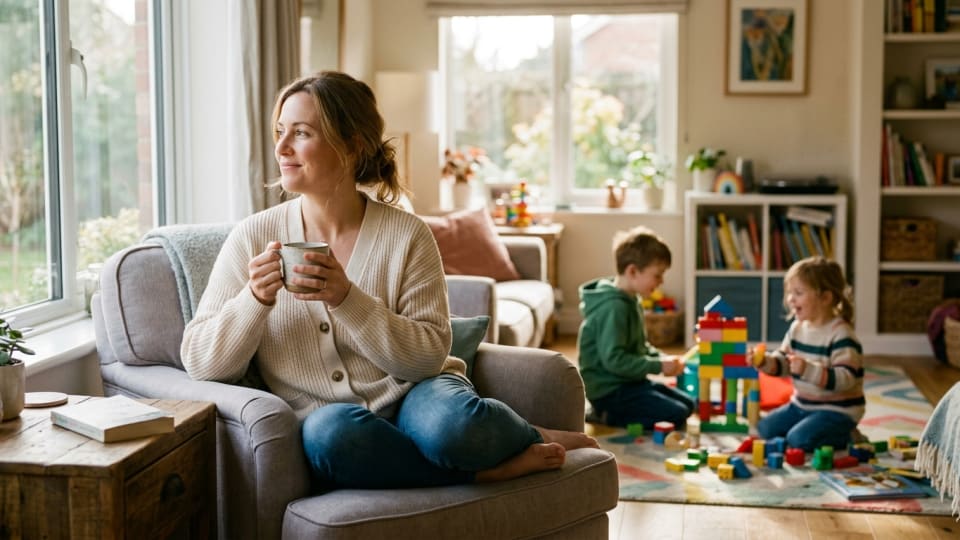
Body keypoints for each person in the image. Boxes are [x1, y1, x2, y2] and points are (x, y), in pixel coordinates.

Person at [180, 71, 596, 490]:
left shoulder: (407, 235)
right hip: (336, 422)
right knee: (331, 437)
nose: (282, 147)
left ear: (352, 144)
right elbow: (201, 362)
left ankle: (528, 436)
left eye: (301, 133)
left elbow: (428, 358)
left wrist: (347, 299)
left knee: (454, 429)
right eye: (280, 131)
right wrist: (253, 299)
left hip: (419, 393)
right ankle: (481, 469)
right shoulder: (253, 237)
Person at [577, 226, 694, 429]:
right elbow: (615, 360)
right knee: (677, 414)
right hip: (610, 391)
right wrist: (658, 366)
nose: (661, 282)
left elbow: (639, 347)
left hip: (630, 382)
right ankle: (605, 415)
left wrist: (662, 358)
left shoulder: (632, 300)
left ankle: (618, 410)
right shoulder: (614, 308)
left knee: (688, 405)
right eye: (657, 275)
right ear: (632, 271)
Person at [756, 256, 864, 452]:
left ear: (825, 298)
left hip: (837, 411)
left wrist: (808, 370)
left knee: (798, 440)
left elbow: (846, 378)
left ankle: (847, 434)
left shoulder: (841, 334)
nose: (790, 299)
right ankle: (813, 428)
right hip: (802, 405)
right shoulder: (796, 328)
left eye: (798, 293)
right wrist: (765, 362)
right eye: (790, 293)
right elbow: (783, 362)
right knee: (764, 428)